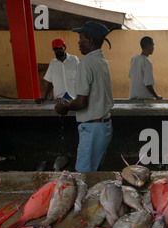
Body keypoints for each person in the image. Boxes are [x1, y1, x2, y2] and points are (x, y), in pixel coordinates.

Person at [54, 21, 114, 172]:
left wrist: (65, 106)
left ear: (91, 41)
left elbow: (81, 102)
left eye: (81, 39)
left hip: (92, 128)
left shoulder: (86, 63)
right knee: (96, 171)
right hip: (104, 126)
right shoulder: (101, 61)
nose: (79, 43)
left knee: (83, 175)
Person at [35, 38, 79, 103]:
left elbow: (81, 77)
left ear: (64, 47)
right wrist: (45, 96)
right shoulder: (53, 63)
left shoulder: (74, 59)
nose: (58, 51)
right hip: (59, 98)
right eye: (55, 49)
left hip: (74, 96)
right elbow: (50, 81)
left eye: (60, 48)